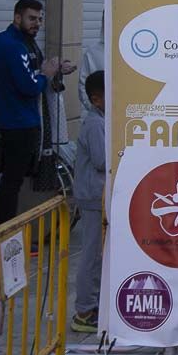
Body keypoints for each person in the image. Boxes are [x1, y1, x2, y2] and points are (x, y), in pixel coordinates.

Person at [0, 0, 74, 226]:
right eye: (31, 18)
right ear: (17, 18)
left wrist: (56, 69)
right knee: (12, 181)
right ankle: (3, 233)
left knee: (18, 180)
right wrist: (45, 75)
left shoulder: (26, 43)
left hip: (25, 121)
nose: (37, 23)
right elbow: (29, 86)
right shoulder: (11, 45)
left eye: (40, 19)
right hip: (17, 123)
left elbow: (34, 70)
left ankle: (13, 230)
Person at [70, 71, 106, 334]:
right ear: (96, 99)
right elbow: (102, 160)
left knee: (99, 254)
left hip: (100, 196)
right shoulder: (94, 124)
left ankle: (94, 305)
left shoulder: (102, 120)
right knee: (92, 255)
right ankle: (84, 310)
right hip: (93, 196)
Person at [79, 10, 105, 114]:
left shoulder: (134, 52)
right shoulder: (93, 52)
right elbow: (83, 85)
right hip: (102, 118)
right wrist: (97, 110)